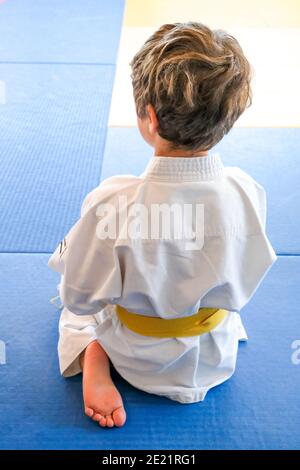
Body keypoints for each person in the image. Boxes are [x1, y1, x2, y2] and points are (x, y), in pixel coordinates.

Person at [48, 21, 277, 428]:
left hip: (133, 353)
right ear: (230, 116)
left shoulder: (112, 202)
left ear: (149, 117)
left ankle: (95, 356)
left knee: (70, 291)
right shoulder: (246, 190)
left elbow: (80, 298)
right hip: (214, 353)